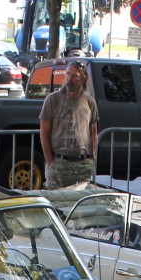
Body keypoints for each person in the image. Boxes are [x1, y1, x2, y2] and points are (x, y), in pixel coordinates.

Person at [38, 60, 98, 189]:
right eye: (68, 74)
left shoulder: (90, 102)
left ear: (83, 79)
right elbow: (43, 133)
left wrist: (92, 157)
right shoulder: (52, 100)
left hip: (82, 164)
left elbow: (93, 133)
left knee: (80, 205)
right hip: (59, 162)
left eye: (75, 76)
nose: (69, 79)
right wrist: (51, 162)